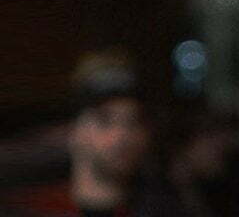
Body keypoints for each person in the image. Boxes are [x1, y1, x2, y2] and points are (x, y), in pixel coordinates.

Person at [2, 51, 186, 217]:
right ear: (74, 130)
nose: (122, 135)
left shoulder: (166, 208)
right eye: (104, 120)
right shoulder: (33, 207)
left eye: (134, 121)